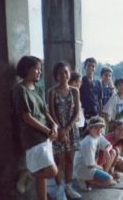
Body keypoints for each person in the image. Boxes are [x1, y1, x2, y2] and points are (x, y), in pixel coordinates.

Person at [12, 56, 58, 200]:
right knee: (52, 171)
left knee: (43, 173)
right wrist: (47, 131)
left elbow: (45, 111)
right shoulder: (20, 89)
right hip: (32, 137)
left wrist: (54, 125)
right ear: (26, 69)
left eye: (40, 69)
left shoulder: (38, 89)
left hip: (45, 136)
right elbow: (27, 117)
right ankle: (27, 174)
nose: (39, 72)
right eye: (36, 68)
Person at [48, 62, 81, 199]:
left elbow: (77, 113)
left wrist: (67, 129)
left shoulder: (75, 91)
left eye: (66, 72)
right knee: (59, 161)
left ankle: (68, 186)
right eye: (60, 73)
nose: (63, 75)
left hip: (71, 130)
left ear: (69, 73)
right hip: (57, 130)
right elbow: (51, 112)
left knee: (70, 159)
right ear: (56, 75)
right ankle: (59, 189)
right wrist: (60, 129)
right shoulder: (52, 92)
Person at [73, 117, 116, 191]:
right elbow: (90, 165)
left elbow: (109, 145)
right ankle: (85, 179)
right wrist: (100, 168)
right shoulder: (89, 142)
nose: (99, 130)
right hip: (83, 169)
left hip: (91, 165)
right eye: (96, 127)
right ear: (90, 129)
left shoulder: (98, 136)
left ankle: (93, 179)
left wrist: (106, 150)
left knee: (113, 152)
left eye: (101, 127)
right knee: (110, 181)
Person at [69, 72, 85, 137]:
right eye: (79, 82)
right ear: (74, 82)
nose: (80, 84)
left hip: (78, 124)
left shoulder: (76, 93)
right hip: (73, 125)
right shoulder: (71, 94)